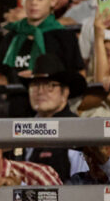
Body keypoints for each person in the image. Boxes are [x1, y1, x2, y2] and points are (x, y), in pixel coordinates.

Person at [0, 0, 84, 117]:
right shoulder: (12, 36)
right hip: (15, 114)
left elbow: (77, 76)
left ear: (53, 0)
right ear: (21, 0)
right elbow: (2, 75)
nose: (33, 3)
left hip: (54, 115)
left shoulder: (64, 36)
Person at [22, 54, 89, 183]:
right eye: (35, 85)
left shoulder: (77, 130)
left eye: (50, 85)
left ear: (65, 92)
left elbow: (81, 181)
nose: (41, 91)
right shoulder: (21, 128)